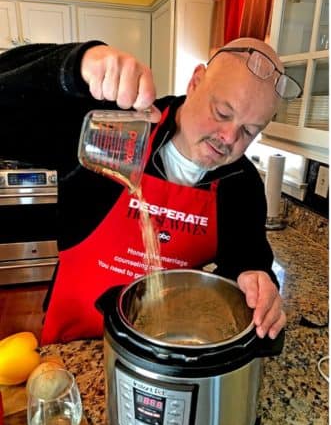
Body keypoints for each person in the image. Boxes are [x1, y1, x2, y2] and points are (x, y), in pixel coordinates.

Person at [0, 37, 296, 344]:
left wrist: (256, 279)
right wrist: (76, 64)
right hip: (73, 344)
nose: (229, 137)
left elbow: (246, 260)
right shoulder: (109, 128)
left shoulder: (241, 184)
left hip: (162, 348)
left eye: (249, 131)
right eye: (222, 112)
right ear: (196, 82)